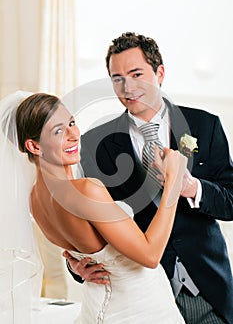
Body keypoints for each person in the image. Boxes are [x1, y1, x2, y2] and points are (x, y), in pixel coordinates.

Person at [65, 32, 233, 324]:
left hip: (208, 290)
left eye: (136, 74)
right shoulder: (95, 145)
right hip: (139, 298)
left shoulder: (205, 125)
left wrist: (191, 187)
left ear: (160, 73)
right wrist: (77, 269)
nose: (127, 87)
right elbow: (88, 226)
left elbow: (231, 201)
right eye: (117, 78)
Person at [1, 91, 187, 323]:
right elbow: (149, 255)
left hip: (96, 306)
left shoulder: (33, 200)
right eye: (58, 131)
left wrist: (78, 266)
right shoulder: (87, 190)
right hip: (140, 306)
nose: (73, 135)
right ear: (34, 146)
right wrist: (174, 181)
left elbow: (81, 248)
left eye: (71, 123)